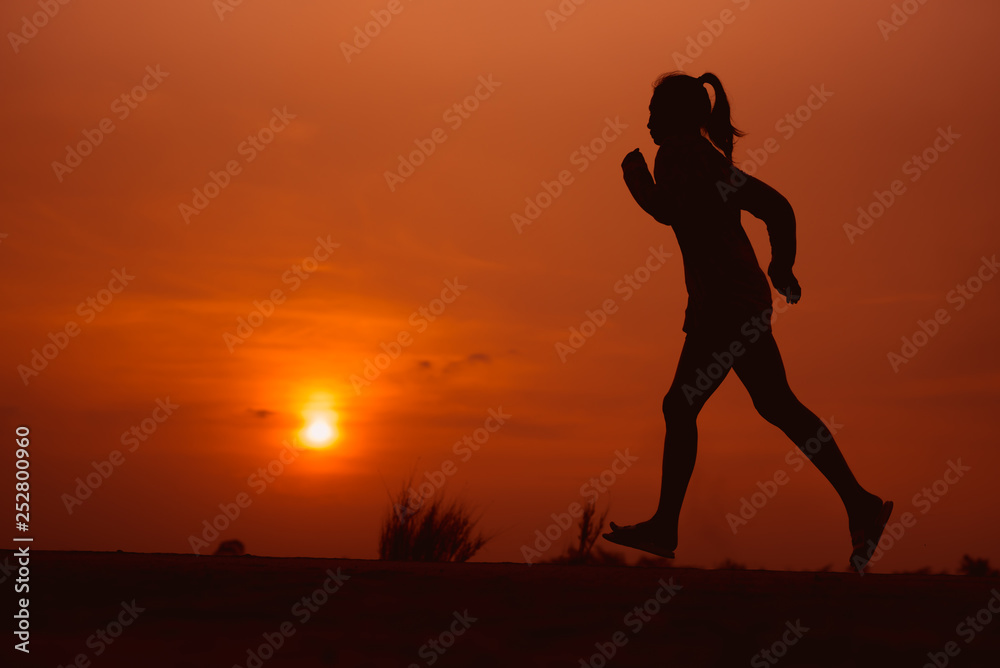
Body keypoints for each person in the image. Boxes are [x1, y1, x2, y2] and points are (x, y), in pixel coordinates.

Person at [603, 71, 892, 574]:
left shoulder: (676, 151)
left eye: (653, 111)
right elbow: (776, 207)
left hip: (723, 303)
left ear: (674, 116)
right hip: (742, 297)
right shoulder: (707, 159)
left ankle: (666, 526)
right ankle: (860, 502)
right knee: (776, 405)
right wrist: (782, 266)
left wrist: (634, 182)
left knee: (681, 404)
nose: (647, 121)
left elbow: (669, 212)